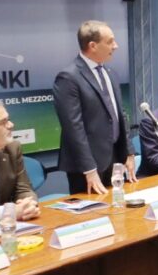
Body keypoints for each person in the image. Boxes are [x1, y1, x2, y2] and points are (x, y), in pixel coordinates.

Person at [53, 20, 136, 195]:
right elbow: (73, 127)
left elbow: (120, 114)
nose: (116, 46)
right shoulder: (69, 77)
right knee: (93, 217)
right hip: (87, 165)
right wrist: (89, 169)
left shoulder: (110, 73)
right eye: (110, 41)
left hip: (115, 159)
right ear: (93, 45)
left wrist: (129, 153)